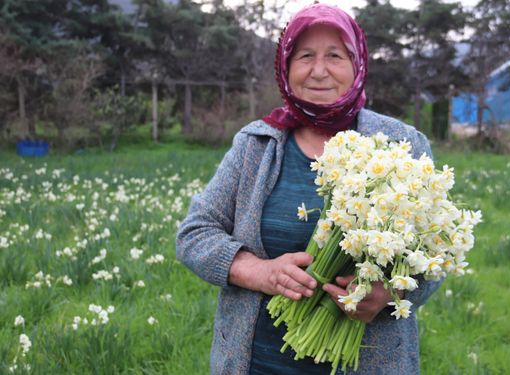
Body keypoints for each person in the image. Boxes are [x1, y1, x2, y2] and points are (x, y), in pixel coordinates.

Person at [176, 3, 443, 374]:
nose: (319, 71)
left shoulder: (401, 145)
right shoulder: (256, 145)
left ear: (357, 64)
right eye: (305, 56)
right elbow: (194, 233)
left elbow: (433, 256)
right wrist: (258, 271)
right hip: (257, 364)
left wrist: (388, 295)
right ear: (286, 68)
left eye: (334, 55)